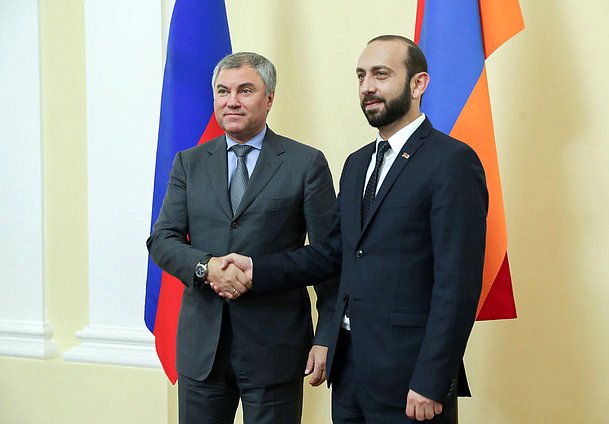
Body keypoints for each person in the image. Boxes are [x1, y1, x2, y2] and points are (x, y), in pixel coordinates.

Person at [213, 36, 489, 423]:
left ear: (418, 84)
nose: (367, 87)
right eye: (361, 75)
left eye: (381, 74)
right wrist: (256, 269)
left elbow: (457, 285)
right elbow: (332, 253)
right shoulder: (358, 163)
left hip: (410, 379)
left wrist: (432, 379)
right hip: (349, 374)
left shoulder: (452, 162)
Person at [146, 51, 338, 424]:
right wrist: (207, 267)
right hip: (203, 352)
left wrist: (326, 335)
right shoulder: (189, 162)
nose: (231, 101)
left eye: (245, 90)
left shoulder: (305, 163)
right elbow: (163, 239)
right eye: (223, 91)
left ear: (269, 99)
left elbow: (328, 256)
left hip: (276, 349)